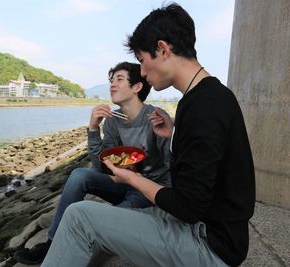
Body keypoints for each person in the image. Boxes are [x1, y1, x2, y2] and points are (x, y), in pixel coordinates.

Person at [41, 3, 255, 267]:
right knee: (94, 219)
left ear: (163, 50)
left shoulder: (204, 105)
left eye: (142, 61)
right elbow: (202, 171)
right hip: (210, 228)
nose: (141, 71)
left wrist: (132, 178)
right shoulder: (206, 97)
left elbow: (188, 206)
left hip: (210, 244)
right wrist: (172, 134)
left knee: (79, 217)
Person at [13, 62, 171, 264]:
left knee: (102, 222)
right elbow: (101, 166)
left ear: (137, 87)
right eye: (111, 80)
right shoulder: (113, 120)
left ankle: (74, 249)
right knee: (79, 175)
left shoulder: (155, 118)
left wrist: (169, 137)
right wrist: (94, 128)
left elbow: (170, 162)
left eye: (119, 79)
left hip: (146, 192)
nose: (112, 85)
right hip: (122, 183)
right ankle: (52, 243)